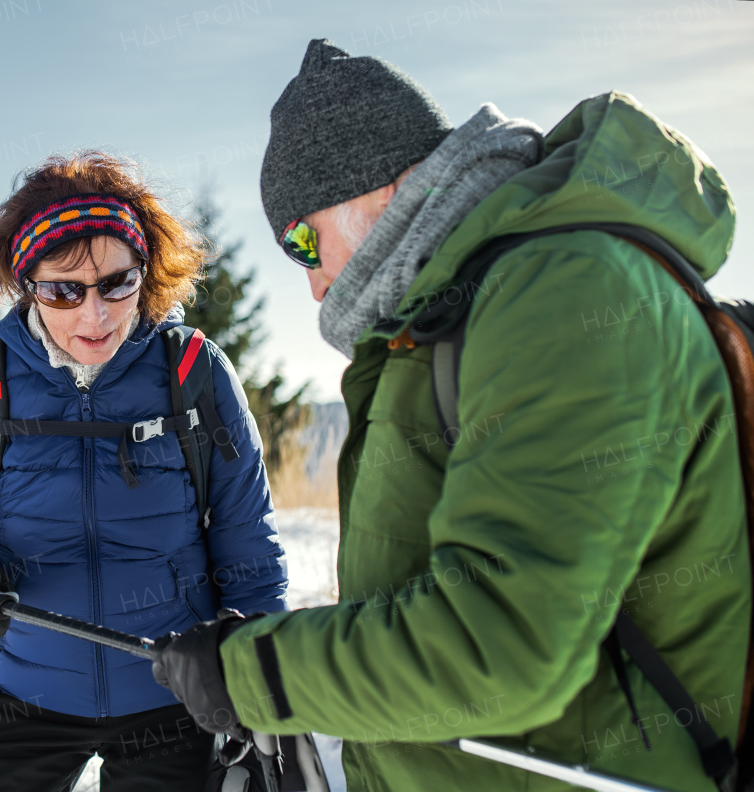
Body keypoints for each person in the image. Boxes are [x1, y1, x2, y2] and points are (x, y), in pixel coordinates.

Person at [152, 39, 749, 792]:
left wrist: (254, 674)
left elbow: (500, 641)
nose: (311, 286)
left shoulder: (568, 291)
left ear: (391, 185)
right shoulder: (446, 317)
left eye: (304, 241)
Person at [0, 151, 288, 792]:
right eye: (65, 289)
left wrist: (253, 660)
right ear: (29, 284)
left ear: (146, 273)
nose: (97, 315)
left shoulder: (192, 374)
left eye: (118, 283)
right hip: (22, 690)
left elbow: (246, 535)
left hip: (171, 690)